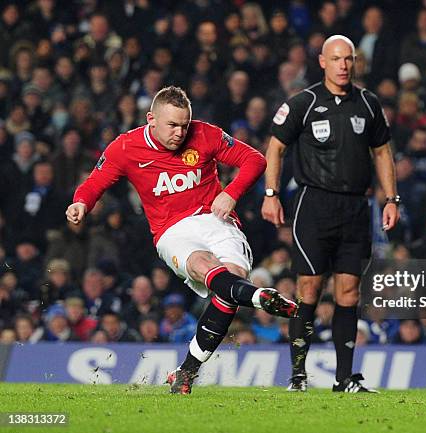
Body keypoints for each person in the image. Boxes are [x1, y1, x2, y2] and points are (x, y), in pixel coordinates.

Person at [65, 86, 298, 395]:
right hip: (172, 231)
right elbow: (95, 182)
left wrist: (230, 192)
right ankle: (258, 298)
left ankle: (186, 372)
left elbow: (254, 159)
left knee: (230, 285)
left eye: (184, 125)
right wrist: (81, 202)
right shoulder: (126, 147)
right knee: (207, 268)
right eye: (172, 125)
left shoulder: (205, 134)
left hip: (216, 219)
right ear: (151, 119)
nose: (179, 132)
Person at [262, 35, 399, 393]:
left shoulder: (368, 104)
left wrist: (391, 198)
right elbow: (275, 148)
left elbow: (382, 152)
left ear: (356, 62)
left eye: (349, 59)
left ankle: (344, 378)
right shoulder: (303, 103)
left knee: (350, 292)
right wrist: (271, 194)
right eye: (336, 59)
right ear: (322, 62)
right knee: (309, 289)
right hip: (314, 205)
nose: (343, 65)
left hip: (356, 206)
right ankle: (297, 375)